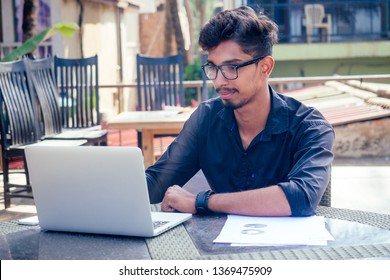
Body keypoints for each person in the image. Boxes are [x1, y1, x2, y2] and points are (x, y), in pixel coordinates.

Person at [145, 6, 334, 217]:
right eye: (213, 68)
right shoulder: (206, 119)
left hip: (291, 249)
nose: (219, 80)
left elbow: (302, 197)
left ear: (265, 68)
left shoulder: (309, 127)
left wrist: (201, 202)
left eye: (232, 67)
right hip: (220, 247)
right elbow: (157, 181)